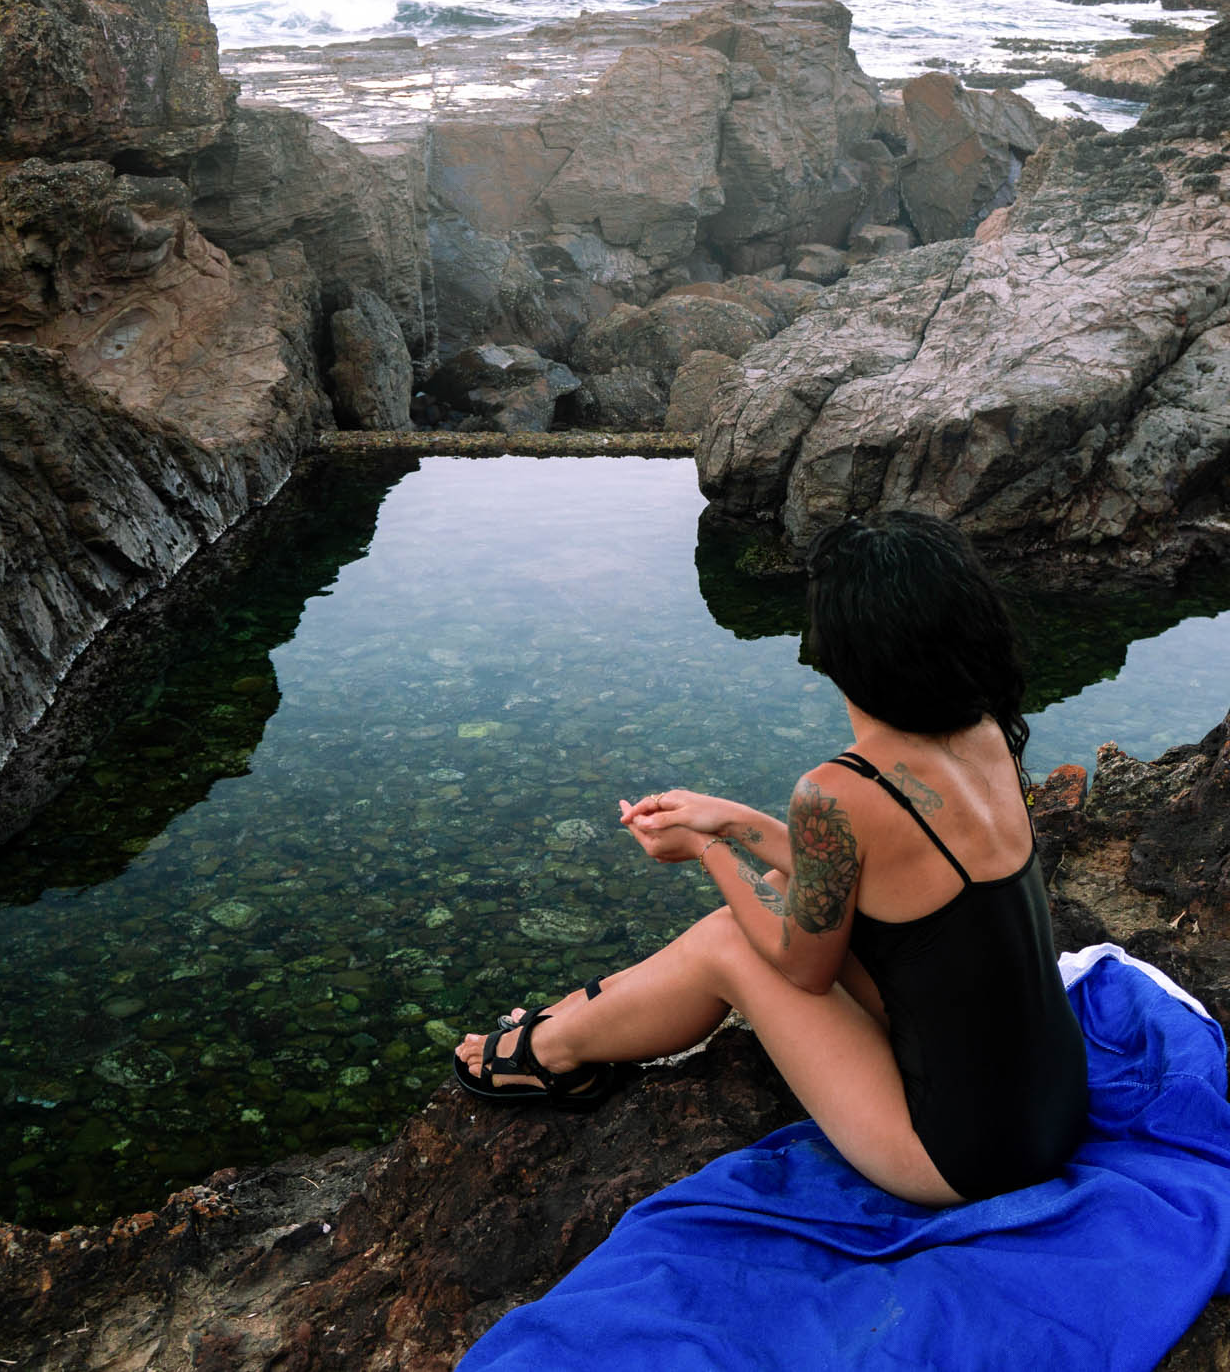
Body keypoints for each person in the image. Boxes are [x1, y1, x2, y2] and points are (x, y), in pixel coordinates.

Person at [454, 510, 1088, 1206]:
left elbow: (802, 968)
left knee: (728, 942)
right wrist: (729, 817)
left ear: (838, 648)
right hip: (1055, 1099)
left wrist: (707, 850)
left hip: (963, 1154)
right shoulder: (984, 730)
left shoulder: (839, 790)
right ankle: (569, 1023)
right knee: (787, 882)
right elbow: (868, 869)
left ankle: (550, 1051)